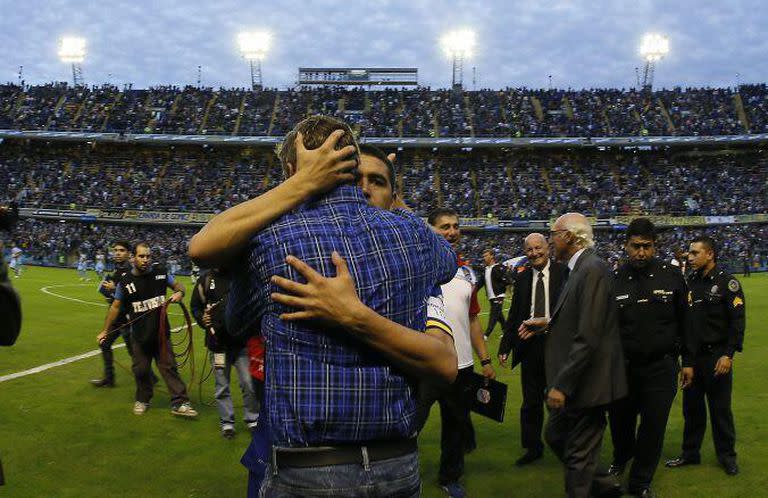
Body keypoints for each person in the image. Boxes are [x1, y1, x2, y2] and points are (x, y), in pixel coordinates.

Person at [219, 116, 458, 497]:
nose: (367, 188)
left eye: (379, 181)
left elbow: (232, 322)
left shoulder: (272, 240)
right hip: (395, 463)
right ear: (351, 165)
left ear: (291, 170)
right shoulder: (415, 236)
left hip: (306, 469)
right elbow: (448, 262)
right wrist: (402, 214)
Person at [519, 213, 627, 498]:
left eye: (553, 234)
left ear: (567, 236)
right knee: (555, 436)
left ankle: (591, 487)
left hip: (586, 384)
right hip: (579, 381)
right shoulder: (578, 268)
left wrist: (561, 385)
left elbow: (589, 334)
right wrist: (548, 324)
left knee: (578, 459)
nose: (550, 240)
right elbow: (580, 319)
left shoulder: (592, 268)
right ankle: (605, 486)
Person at [607, 218, 692, 497]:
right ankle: (621, 459)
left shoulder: (672, 275)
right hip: (623, 368)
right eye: (635, 247)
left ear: (655, 246)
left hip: (661, 367)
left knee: (653, 427)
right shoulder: (615, 278)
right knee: (620, 422)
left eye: (647, 247)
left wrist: (687, 361)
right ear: (626, 245)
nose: (641, 252)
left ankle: (640, 482)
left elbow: (685, 321)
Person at [420, 207, 496, 498]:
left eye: (455, 226)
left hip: (462, 366)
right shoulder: (418, 265)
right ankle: (397, 473)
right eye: (444, 227)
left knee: (455, 429)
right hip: (425, 364)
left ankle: (450, 478)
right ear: (431, 230)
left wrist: (485, 359)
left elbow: (473, 319)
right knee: (409, 424)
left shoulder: (467, 271)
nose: (452, 232)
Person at [665, 235, 745, 476]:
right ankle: (690, 454)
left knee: (721, 411)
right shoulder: (689, 283)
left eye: (694, 253)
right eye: (689, 253)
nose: (689, 257)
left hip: (716, 357)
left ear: (709, 254)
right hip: (693, 359)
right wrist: (686, 361)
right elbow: (685, 326)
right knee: (692, 410)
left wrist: (729, 354)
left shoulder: (726, 283)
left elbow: (737, 321)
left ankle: (727, 457)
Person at [97, 242, 198, 418]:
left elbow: (179, 286)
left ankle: (180, 403)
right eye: (141, 256)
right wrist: (105, 331)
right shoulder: (125, 281)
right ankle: (143, 399)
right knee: (141, 370)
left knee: (169, 368)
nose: (145, 260)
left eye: (148, 256)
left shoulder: (161, 273)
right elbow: (115, 307)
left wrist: (180, 293)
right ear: (133, 258)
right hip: (140, 336)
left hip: (161, 334)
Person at [499, 233, 568, 467]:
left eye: (538, 248)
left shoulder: (563, 272)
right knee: (530, 402)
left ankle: (564, 443)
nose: (534, 253)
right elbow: (516, 314)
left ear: (548, 248)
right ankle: (532, 447)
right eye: (529, 250)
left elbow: (570, 310)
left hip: (557, 346)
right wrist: (505, 345)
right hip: (530, 348)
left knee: (560, 399)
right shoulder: (523, 277)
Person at [190, 268, 260, 439]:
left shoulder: (241, 276)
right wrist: (201, 318)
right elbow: (195, 306)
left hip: (241, 343)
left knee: (249, 384)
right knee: (222, 386)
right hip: (218, 345)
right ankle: (227, 423)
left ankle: (252, 419)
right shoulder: (205, 280)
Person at [91, 240, 134, 387]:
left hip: (128, 318)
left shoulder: (131, 271)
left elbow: (132, 294)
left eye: (121, 250)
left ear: (129, 254)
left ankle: (149, 378)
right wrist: (110, 292)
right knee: (105, 343)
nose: (117, 253)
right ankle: (109, 378)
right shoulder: (118, 269)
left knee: (133, 351)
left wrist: (114, 288)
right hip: (117, 317)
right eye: (115, 250)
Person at [479, 248, 507, 339]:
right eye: (483, 256)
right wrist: (473, 291)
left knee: (493, 315)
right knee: (499, 316)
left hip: (498, 296)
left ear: (492, 256)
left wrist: (502, 293)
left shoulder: (498, 267)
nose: (484, 258)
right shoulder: (486, 269)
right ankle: (506, 331)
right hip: (491, 297)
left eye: (486, 255)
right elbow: (480, 283)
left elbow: (505, 280)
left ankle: (486, 334)